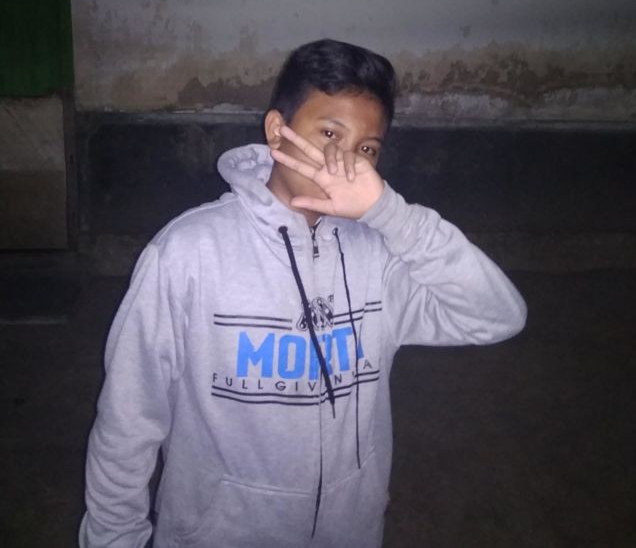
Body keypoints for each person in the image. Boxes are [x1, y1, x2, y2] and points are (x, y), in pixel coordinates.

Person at [80, 38, 527, 548]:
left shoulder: (380, 256)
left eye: (367, 149)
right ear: (277, 130)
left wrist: (393, 216)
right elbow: (129, 420)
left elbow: (497, 315)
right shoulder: (189, 252)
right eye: (329, 133)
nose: (346, 162)